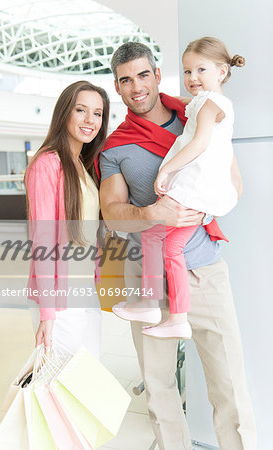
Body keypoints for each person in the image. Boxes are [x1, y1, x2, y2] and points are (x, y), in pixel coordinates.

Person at [99, 42, 256, 449]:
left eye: (143, 74)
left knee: (230, 386)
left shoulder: (198, 114)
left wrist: (200, 212)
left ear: (157, 73)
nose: (136, 86)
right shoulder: (114, 148)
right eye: (125, 79)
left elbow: (232, 182)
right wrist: (154, 214)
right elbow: (112, 213)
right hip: (146, 278)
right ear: (117, 87)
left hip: (203, 271)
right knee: (159, 389)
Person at [112, 37, 244, 340]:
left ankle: (159, 310)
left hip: (196, 203)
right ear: (117, 86)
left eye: (201, 70)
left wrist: (167, 169)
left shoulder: (208, 106)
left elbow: (200, 145)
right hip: (193, 197)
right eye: (187, 72)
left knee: (160, 241)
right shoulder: (198, 104)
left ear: (222, 72)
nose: (193, 78)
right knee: (160, 241)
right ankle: (167, 313)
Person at [25, 81, 109, 358]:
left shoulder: (83, 166)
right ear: (64, 113)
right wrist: (47, 314)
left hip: (86, 291)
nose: (90, 120)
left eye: (97, 113)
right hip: (62, 299)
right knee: (60, 387)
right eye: (81, 110)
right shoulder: (48, 164)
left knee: (88, 375)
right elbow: (44, 241)